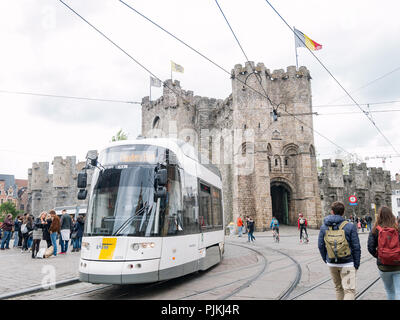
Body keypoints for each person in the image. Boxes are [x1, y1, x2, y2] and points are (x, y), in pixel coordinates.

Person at [318, 201, 361, 300]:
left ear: (332, 212)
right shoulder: (349, 226)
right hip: (348, 263)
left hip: (332, 263)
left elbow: (320, 245)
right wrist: (356, 264)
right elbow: (356, 247)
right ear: (343, 212)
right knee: (349, 290)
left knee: (338, 289)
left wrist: (327, 259)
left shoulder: (324, 227)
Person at [367, 206, 400, 300]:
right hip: (398, 265)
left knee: (390, 291)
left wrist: (379, 256)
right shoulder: (397, 228)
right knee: (399, 291)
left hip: (383, 266)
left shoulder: (375, 229)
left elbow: (370, 247)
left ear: (379, 216)